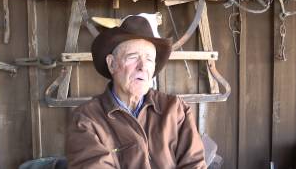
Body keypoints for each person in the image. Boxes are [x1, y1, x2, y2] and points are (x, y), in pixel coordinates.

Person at [66, 13, 207, 169]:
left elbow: (194, 165)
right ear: (112, 64)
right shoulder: (87, 120)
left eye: (149, 59)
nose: (142, 66)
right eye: (133, 57)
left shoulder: (175, 109)